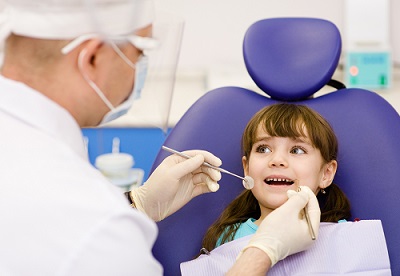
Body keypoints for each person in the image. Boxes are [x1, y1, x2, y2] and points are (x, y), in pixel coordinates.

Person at [0, 1, 320, 275]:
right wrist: (262, 250)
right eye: (140, 53)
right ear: (93, 58)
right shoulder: (98, 227)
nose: (141, 69)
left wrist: (137, 205)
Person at [201, 103, 351, 257]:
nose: (277, 160)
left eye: (297, 150)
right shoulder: (227, 238)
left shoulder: (344, 237)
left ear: (326, 174)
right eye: (263, 149)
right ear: (247, 169)